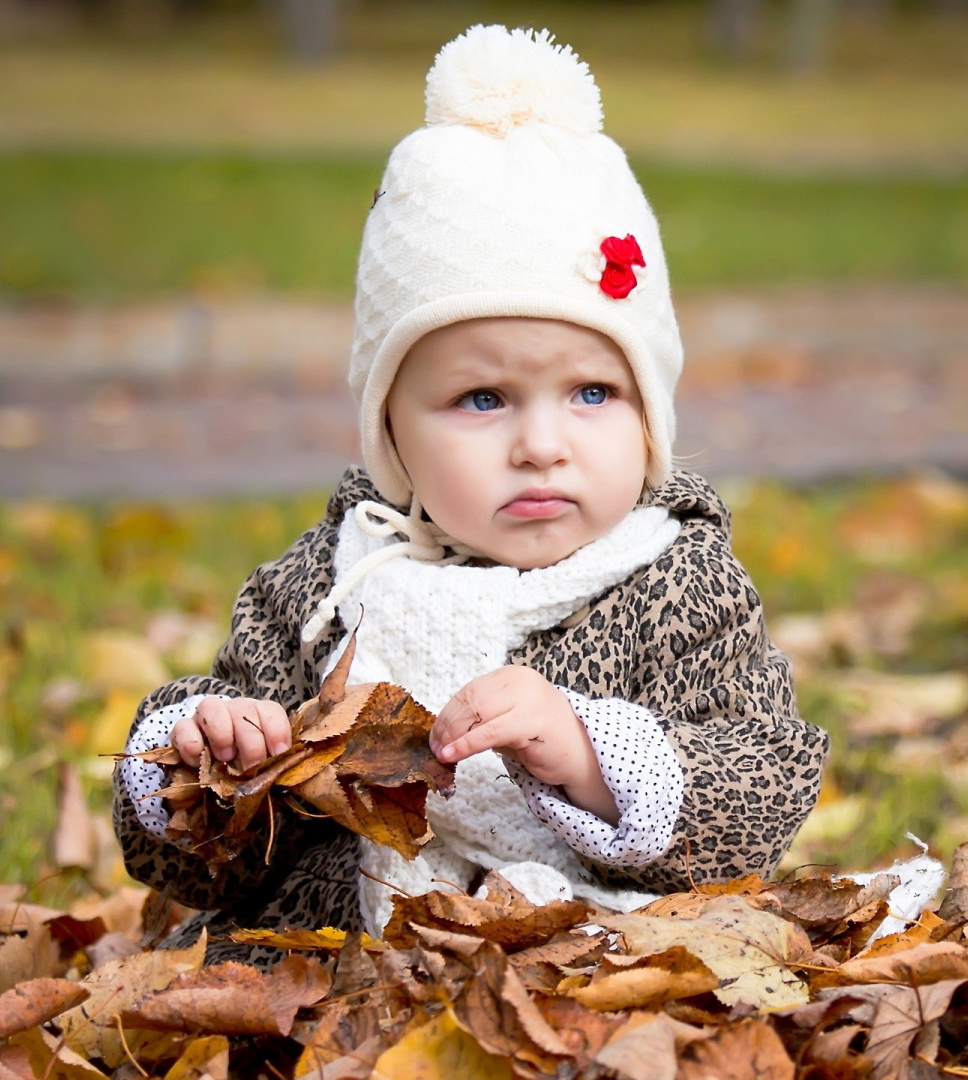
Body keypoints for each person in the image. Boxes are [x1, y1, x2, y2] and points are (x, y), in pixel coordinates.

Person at [112, 26, 837, 967]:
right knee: (238, 979)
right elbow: (203, 872)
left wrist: (593, 755)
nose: (541, 445)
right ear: (392, 434)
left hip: (594, 955)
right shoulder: (331, 586)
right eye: (483, 399)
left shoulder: (678, 583)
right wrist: (211, 762)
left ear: (650, 416)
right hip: (338, 958)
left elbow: (761, 785)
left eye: (592, 393)